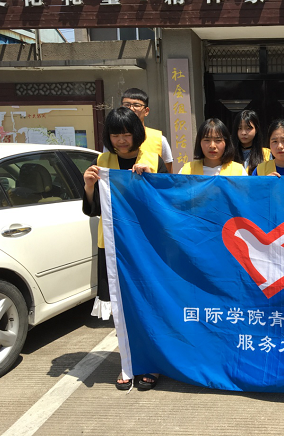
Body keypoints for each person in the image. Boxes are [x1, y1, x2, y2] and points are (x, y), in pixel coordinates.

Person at [83, 107, 168, 391]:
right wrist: (89, 185)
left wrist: (149, 182)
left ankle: (151, 363)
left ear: (137, 133)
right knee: (122, 308)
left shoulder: (152, 159)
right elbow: (93, 209)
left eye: (126, 133)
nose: (120, 140)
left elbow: (168, 204)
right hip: (113, 246)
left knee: (149, 304)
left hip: (147, 247)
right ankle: (128, 364)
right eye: (115, 134)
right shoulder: (102, 162)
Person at [105, 88, 174, 173]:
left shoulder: (159, 139)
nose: (131, 109)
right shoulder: (104, 154)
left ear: (146, 111)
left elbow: (167, 175)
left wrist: (149, 176)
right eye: (126, 105)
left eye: (136, 105)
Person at [180, 118, 247, 176]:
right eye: (207, 140)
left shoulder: (238, 171)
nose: (212, 146)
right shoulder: (187, 171)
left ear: (226, 143)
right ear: (199, 142)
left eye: (218, 140)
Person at [232, 110, 272, 174]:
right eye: (239, 128)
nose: (243, 133)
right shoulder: (229, 154)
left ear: (256, 130)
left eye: (248, 128)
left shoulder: (266, 154)